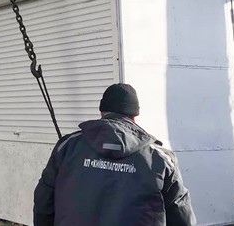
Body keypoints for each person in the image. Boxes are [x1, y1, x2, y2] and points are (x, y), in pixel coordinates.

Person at [33, 83, 196, 226]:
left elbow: (43, 203)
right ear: (134, 116)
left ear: (102, 112)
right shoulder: (160, 159)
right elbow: (181, 216)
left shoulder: (67, 147)